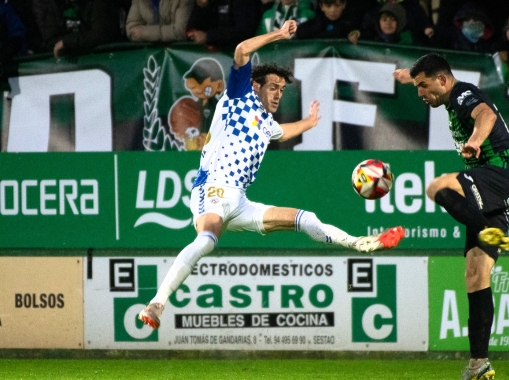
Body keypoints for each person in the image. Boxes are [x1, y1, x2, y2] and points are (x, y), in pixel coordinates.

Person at [138, 20, 405, 329]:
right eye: (273, 87)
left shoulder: (266, 123)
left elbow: (283, 132)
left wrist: (309, 122)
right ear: (256, 86)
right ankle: (157, 303)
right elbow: (240, 50)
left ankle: (360, 244)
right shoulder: (239, 98)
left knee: (304, 218)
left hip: (238, 201)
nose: (278, 94)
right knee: (208, 238)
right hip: (211, 188)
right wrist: (279, 35)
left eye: (281, 89)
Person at [393, 53, 509, 380]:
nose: (421, 93)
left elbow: (485, 114)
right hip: (503, 189)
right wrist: (410, 77)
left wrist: (476, 140)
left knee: (438, 186)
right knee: (476, 273)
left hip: (498, 173)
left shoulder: (464, 93)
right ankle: (480, 364)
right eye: (417, 86)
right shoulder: (446, 92)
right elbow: (429, 79)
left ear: (443, 80)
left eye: (424, 86)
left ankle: (484, 230)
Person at [185, 0, 261, 51]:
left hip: (241, 57)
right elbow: (194, 28)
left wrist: (208, 36)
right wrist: (201, 8)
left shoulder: (244, 2)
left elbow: (244, 31)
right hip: (217, 57)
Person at [126, 0, 193, 42]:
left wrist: (145, 33)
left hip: (175, 51)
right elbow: (131, 29)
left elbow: (179, 31)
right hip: (148, 51)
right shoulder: (139, 1)